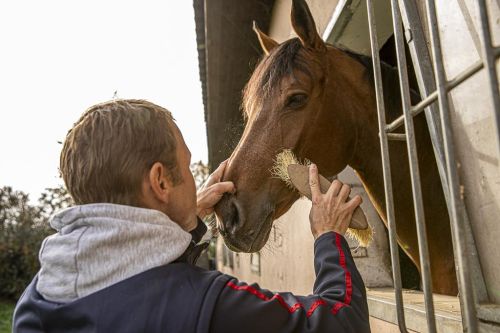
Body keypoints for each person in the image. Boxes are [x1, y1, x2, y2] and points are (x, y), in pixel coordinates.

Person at [13, 99, 370, 333]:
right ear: (160, 180)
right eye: (186, 165)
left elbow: (138, 279)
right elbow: (342, 323)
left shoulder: (37, 302)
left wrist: (181, 217)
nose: (195, 179)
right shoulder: (208, 307)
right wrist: (329, 236)